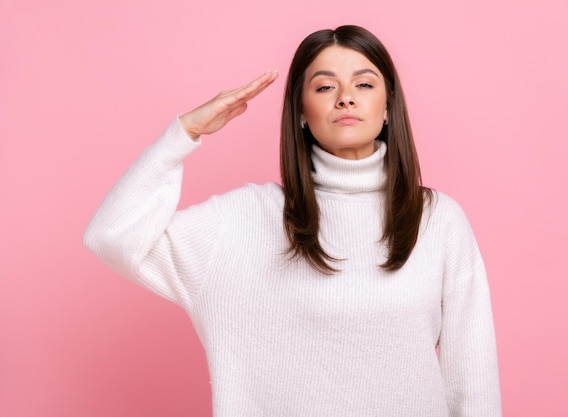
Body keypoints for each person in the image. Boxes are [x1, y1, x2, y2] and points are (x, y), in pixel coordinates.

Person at [84, 25, 502, 417]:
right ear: (301, 112)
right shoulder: (243, 220)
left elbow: (473, 385)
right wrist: (184, 133)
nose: (345, 97)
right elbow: (110, 235)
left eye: (364, 83)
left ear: (388, 105)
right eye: (324, 86)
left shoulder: (438, 220)